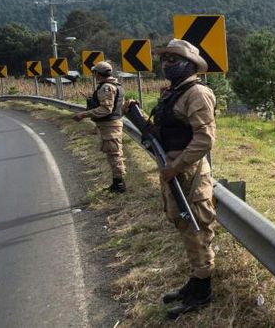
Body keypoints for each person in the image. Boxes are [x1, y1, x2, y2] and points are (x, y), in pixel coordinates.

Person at [123, 39, 216, 320]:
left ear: (189, 64)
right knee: (184, 227)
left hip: (188, 173)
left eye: (174, 60)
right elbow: (162, 132)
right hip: (172, 170)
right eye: (165, 60)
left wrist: (176, 167)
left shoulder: (197, 93)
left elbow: (205, 139)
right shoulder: (173, 93)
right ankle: (196, 281)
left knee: (197, 230)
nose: (167, 65)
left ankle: (204, 290)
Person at [72, 61, 127, 193]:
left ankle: (119, 185)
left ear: (98, 73)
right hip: (109, 125)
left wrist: (84, 115)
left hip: (110, 126)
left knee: (114, 155)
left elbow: (106, 109)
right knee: (112, 154)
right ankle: (117, 183)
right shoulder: (115, 85)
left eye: (95, 72)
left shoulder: (106, 87)